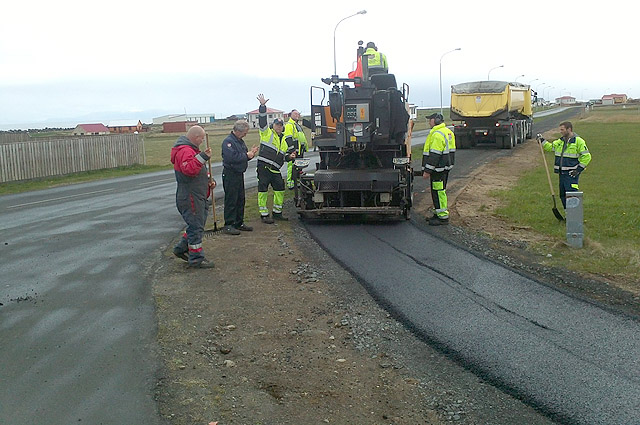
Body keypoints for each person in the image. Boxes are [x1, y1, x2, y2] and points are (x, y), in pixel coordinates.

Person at [170, 125, 216, 268]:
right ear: (196, 137)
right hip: (190, 196)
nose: (202, 141)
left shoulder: (190, 150)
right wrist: (203, 157)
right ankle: (196, 258)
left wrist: (208, 182)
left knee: (197, 225)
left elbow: (196, 172)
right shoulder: (185, 151)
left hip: (197, 195)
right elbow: (189, 169)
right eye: (201, 139)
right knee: (195, 226)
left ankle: (181, 248)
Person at [256, 94, 296, 223]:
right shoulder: (266, 133)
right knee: (263, 190)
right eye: (276, 125)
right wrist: (263, 107)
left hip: (275, 170)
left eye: (280, 125)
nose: (278, 127)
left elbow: (284, 157)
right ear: (273, 125)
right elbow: (262, 121)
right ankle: (264, 214)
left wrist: (290, 157)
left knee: (280, 189)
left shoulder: (284, 140)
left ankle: (277, 212)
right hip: (264, 167)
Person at [537, 121, 591, 208]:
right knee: (562, 195)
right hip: (561, 173)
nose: (560, 131)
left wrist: (578, 170)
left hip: (571, 174)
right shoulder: (560, 141)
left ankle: (573, 215)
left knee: (571, 195)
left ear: (569, 129)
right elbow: (550, 147)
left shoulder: (579, 141)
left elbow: (587, 156)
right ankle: (567, 213)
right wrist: (542, 140)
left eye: (562, 130)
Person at [221, 120, 259, 234]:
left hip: (239, 174)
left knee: (240, 199)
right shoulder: (228, 142)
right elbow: (231, 158)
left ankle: (239, 222)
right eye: (244, 132)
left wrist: (250, 154)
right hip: (230, 174)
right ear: (238, 131)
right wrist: (246, 155)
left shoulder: (240, 141)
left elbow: (243, 156)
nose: (245, 135)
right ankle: (229, 224)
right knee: (231, 199)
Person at [422, 112, 456, 225]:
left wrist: (427, 171)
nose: (429, 122)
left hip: (438, 170)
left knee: (438, 192)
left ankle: (442, 217)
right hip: (445, 168)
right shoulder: (448, 132)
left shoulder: (437, 134)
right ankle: (437, 213)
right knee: (440, 191)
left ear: (436, 120)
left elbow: (434, 155)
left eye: (430, 120)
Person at [284, 109, 307, 190]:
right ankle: (290, 184)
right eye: (295, 114)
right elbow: (288, 138)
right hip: (293, 151)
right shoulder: (289, 125)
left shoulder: (296, 125)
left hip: (299, 150)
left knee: (298, 167)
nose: (297, 115)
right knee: (291, 167)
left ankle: (297, 182)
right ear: (291, 115)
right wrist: (292, 150)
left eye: (298, 114)